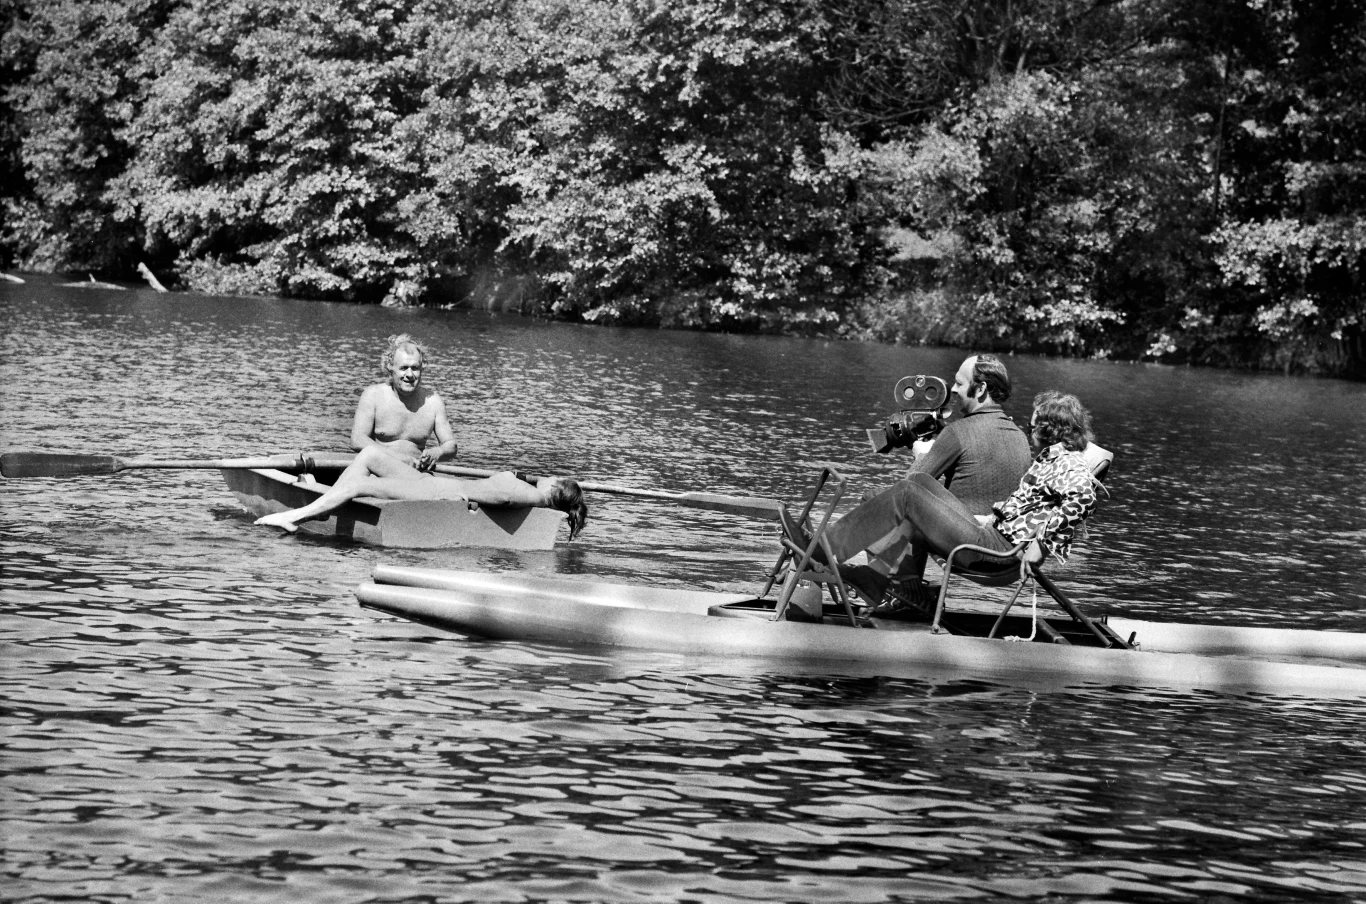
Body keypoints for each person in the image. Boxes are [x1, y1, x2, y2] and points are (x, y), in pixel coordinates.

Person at [782, 391, 1099, 613]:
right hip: (991, 535)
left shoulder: (1067, 462)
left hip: (994, 553)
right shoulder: (1054, 460)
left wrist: (1041, 545)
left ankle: (821, 552)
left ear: (1049, 429)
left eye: (1032, 426)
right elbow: (1031, 511)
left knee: (907, 494)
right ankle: (875, 580)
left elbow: (1084, 497)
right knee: (919, 483)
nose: (1029, 430)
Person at [255, 446, 589, 540]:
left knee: (361, 485)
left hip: (434, 493)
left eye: (553, 476)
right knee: (370, 456)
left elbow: (503, 498)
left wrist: (467, 500)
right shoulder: (533, 491)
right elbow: (506, 491)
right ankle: (327, 506)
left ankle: (293, 516)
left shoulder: (534, 496)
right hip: (431, 485)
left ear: (554, 488)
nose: (546, 475)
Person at [906, 354, 1032, 517]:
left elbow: (908, 489)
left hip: (959, 537)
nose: (953, 389)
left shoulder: (956, 432)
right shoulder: (1020, 436)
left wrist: (922, 455)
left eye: (960, 383)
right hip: (1000, 537)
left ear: (981, 389)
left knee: (872, 498)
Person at [351, 334, 458, 470]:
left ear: (422, 368)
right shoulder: (372, 395)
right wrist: (399, 459)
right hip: (377, 469)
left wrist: (437, 452)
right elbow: (357, 440)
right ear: (390, 367)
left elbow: (450, 445)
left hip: (415, 474)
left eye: (415, 368)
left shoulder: (434, 402)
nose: (409, 374)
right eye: (403, 368)